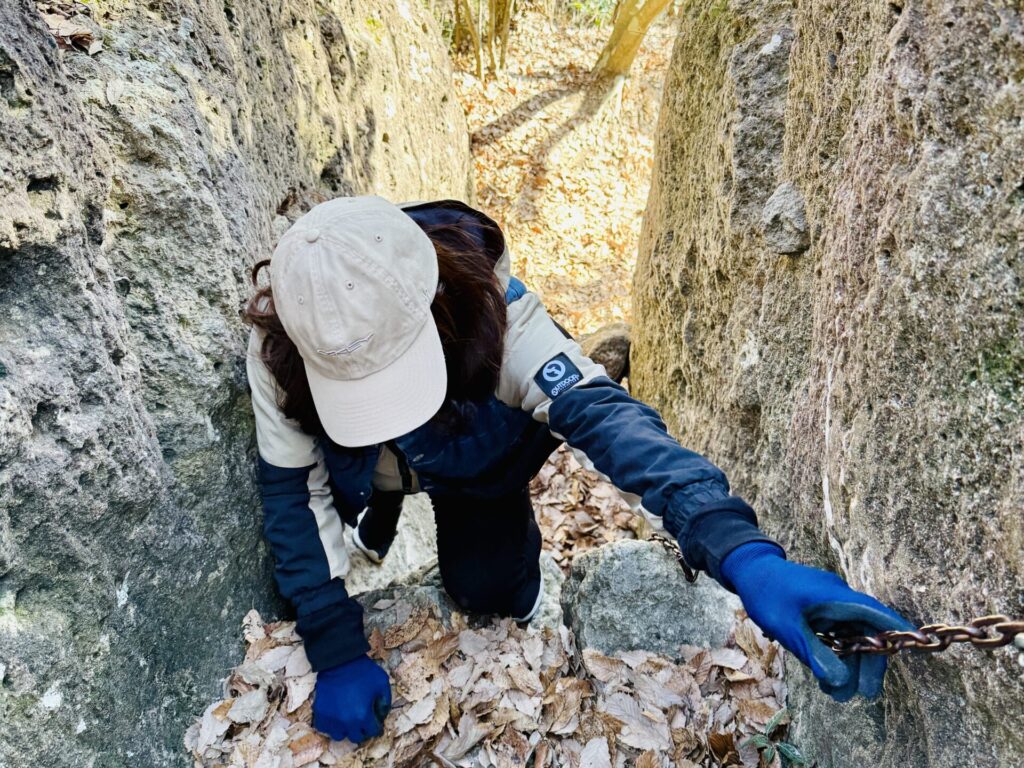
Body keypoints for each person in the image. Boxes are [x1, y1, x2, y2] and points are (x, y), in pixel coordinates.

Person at [244, 195, 913, 744]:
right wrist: (333, 646)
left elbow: (613, 424)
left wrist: (743, 556)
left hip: (472, 458)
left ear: (436, 309)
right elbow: (290, 489)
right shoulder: (287, 338)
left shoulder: (492, 309)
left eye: (394, 382)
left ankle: (517, 570)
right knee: (358, 473)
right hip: (363, 469)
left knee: (483, 591)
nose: (387, 411)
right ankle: (380, 510)